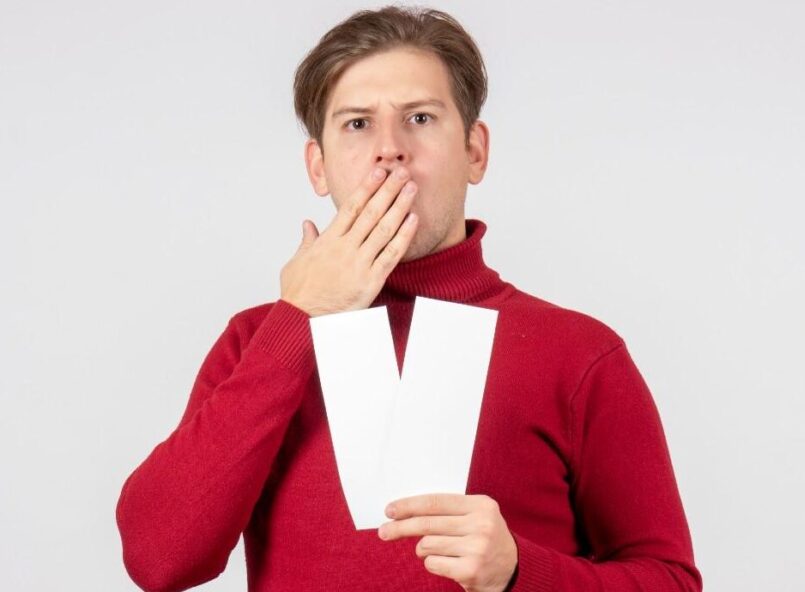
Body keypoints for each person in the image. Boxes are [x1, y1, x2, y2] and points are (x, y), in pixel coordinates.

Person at [115, 5, 701, 591]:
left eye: (420, 117)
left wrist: (521, 571)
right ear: (318, 167)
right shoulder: (256, 341)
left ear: (474, 151)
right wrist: (298, 321)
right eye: (357, 124)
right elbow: (160, 559)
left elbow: (672, 581)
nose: (390, 149)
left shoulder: (578, 353)